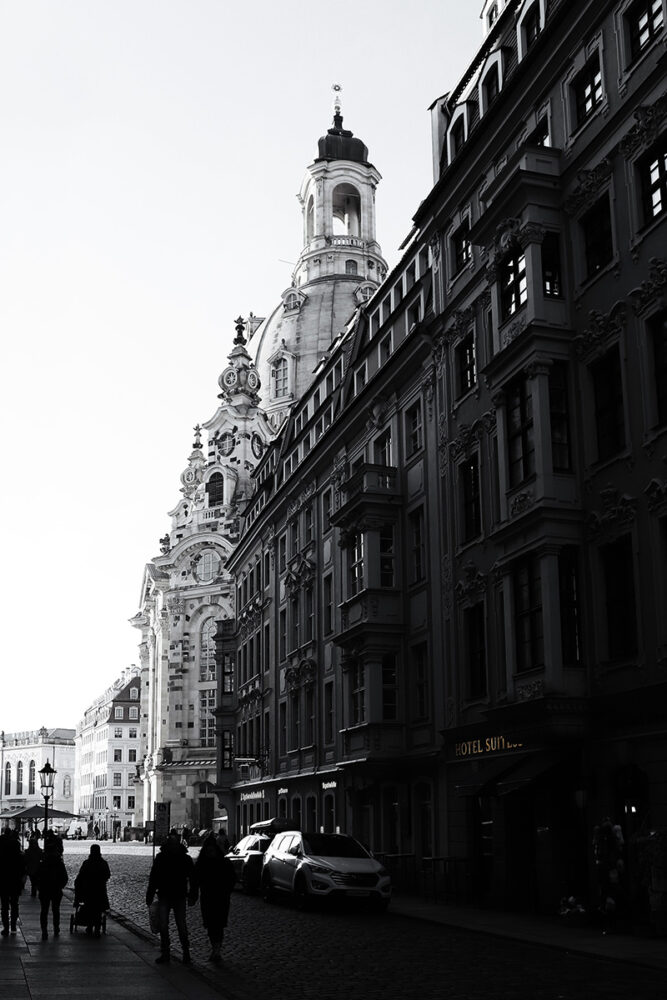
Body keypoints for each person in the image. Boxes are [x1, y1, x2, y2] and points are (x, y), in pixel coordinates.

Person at [145, 828, 197, 965]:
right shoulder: (184, 858)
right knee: (180, 924)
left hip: (166, 894)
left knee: (166, 924)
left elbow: (154, 877)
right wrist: (192, 894)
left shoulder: (162, 858)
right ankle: (185, 953)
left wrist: (150, 895)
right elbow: (193, 878)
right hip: (177, 894)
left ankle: (167, 953)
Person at [193, 832, 236, 964]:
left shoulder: (203, 864)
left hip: (214, 898)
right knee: (215, 925)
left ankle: (216, 949)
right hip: (216, 898)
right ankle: (216, 949)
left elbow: (196, 882)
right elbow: (195, 882)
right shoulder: (222, 863)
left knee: (215, 924)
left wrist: (193, 895)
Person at [74, 843, 111, 937]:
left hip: (88, 890)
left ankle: (90, 926)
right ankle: (97, 928)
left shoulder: (87, 863)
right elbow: (107, 875)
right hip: (99, 890)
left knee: (89, 907)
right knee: (98, 910)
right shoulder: (103, 863)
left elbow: (81, 875)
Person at [36, 835, 68, 940]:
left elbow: (37, 876)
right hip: (56, 889)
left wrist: (39, 887)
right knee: (56, 910)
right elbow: (64, 877)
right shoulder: (59, 863)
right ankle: (56, 928)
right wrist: (60, 886)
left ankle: (44, 930)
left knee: (44, 911)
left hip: (44, 890)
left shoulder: (43, 863)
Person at [0, 828, 26, 937]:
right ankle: (14, 926)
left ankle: (6, 927)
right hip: (15, 881)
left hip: (3, 880)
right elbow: (22, 868)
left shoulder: (1, 852)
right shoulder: (17, 853)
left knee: (4, 905)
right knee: (14, 904)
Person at [25, 834, 43, 898]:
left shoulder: (27, 851)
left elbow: (26, 860)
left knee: (33, 881)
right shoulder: (40, 851)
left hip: (31, 868)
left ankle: (33, 892)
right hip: (38, 868)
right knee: (36, 881)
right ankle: (35, 890)